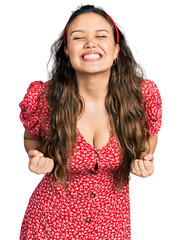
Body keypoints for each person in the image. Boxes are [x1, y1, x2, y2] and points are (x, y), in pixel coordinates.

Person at [19, 4, 162, 240]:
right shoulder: (45, 99)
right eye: (78, 37)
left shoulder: (142, 97)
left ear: (116, 50)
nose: (90, 43)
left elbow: (148, 137)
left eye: (100, 35)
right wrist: (35, 155)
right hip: (49, 225)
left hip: (112, 226)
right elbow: (31, 138)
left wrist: (142, 159)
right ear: (66, 50)